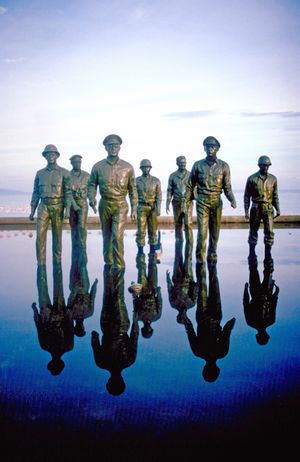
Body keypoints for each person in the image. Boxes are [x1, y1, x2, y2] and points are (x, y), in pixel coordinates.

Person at [182, 136, 237, 264]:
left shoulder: (224, 166)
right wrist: (185, 204)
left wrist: (232, 199)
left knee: (215, 231)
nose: (210, 149)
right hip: (202, 201)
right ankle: (199, 257)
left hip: (217, 201)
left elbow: (227, 186)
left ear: (217, 149)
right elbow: (190, 186)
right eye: (207, 147)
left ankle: (212, 252)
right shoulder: (198, 165)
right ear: (204, 148)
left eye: (212, 147)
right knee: (202, 232)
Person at [88, 134, 137, 268]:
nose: (113, 148)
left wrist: (134, 209)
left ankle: (119, 265)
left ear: (120, 147)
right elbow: (92, 184)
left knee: (117, 236)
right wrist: (91, 198)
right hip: (104, 204)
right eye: (110, 146)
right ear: (105, 148)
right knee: (107, 235)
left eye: (115, 146)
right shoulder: (98, 166)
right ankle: (108, 263)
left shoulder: (128, 167)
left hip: (120, 204)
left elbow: (133, 190)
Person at [29, 144, 74, 266]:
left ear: (57, 156)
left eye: (53, 154)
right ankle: (41, 262)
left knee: (57, 237)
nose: (51, 156)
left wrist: (67, 210)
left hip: (58, 206)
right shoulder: (39, 173)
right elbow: (36, 193)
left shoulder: (64, 173)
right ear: (45, 156)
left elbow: (68, 193)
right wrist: (32, 210)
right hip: (43, 206)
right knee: (40, 236)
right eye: (48, 154)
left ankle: (57, 261)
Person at [244, 155, 280, 263]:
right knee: (253, 231)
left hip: (268, 208)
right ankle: (251, 252)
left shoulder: (273, 179)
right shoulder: (252, 178)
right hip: (255, 208)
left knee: (269, 232)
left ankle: (268, 253)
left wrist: (278, 209)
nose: (265, 167)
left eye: (267, 165)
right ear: (259, 165)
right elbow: (246, 196)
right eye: (263, 165)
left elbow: (275, 195)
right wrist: (246, 211)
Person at [166, 156, 194, 248]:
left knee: (188, 223)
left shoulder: (191, 175)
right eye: (181, 163)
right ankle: (179, 241)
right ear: (177, 163)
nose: (183, 164)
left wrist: (197, 199)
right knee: (178, 223)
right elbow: (169, 190)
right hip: (176, 202)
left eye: (184, 162)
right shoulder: (172, 176)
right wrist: (167, 203)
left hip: (188, 202)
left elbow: (195, 188)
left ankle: (190, 241)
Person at [136, 159, 162, 254]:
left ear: (150, 168)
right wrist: (133, 210)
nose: (146, 169)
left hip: (152, 208)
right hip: (141, 208)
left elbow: (159, 196)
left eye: (147, 167)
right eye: (144, 167)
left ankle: (152, 251)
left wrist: (158, 208)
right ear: (141, 168)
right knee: (140, 231)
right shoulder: (136, 180)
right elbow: (133, 196)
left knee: (153, 231)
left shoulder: (156, 180)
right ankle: (140, 251)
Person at [69, 154, 90, 267]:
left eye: (79, 162)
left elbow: (91, 189)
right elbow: (66, 191)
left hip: (82, 204)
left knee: (82, 226)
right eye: (75, 162)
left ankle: (82, 248)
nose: (77, 164)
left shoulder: (87, 176)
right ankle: (75, 247)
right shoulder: (67, 175)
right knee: (74, 227)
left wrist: (91, 200)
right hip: (72, 204)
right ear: (72, 163)